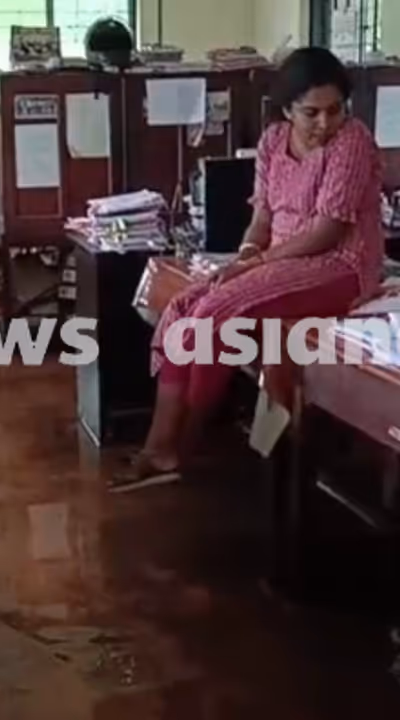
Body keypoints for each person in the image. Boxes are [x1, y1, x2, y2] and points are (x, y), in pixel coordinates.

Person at [118, 47, 384, 490]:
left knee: (214, 313)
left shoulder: (351, 141)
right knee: (188, 306)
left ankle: (182, 446)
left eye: (335, 110)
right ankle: (158, 444)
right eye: (311, 113)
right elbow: (262, 217)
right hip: (282, 258)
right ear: (286, 110)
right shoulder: (272, 143)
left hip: (339, 265)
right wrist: (244, 255)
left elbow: (327, 232)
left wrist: (252, 267)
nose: (325, 123)